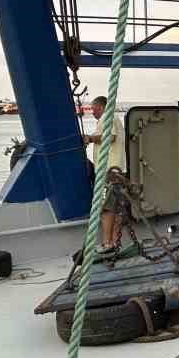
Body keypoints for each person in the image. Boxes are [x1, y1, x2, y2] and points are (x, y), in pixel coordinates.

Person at [82, 95, 115, 251]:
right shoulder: (103, 122)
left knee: (105, 208)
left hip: (110, 171)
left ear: (101, 107)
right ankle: (113, 241)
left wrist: (90, 138)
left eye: (94, 109)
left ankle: (108, 244)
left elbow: (111, 137)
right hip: (107, 171)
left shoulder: (110, 119)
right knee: (113, 207)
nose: (92, 112)